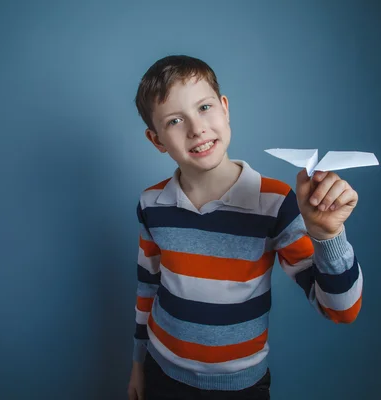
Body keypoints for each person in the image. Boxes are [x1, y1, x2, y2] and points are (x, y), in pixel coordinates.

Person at [127, 55, 363, 400]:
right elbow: (147, 288)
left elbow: (342, 311)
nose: (196, 129)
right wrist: (137, 364)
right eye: (175, 120)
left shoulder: (274, 202)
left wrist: (328, 237)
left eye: (204, 107)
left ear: (224, 108)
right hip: (162, 373)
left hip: (239, 389)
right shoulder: (151, 204)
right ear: (156, 139)